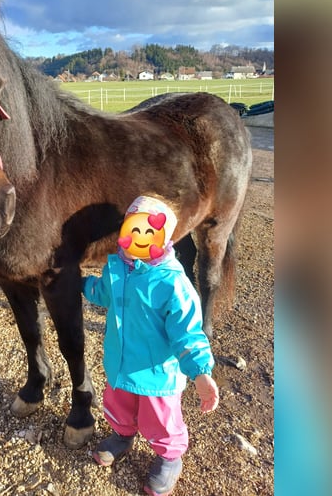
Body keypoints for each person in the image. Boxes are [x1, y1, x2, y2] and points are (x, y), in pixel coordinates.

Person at [82, 195, 219, 496]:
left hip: (157, 373)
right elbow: (103, 293)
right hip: (119, 364)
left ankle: (170, 458)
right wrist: (79, 284)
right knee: (118, 405)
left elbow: (188, 332)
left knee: (160, 418)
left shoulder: (172, 283)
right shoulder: (116, 266)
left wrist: (200, 371)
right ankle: (122, 436)